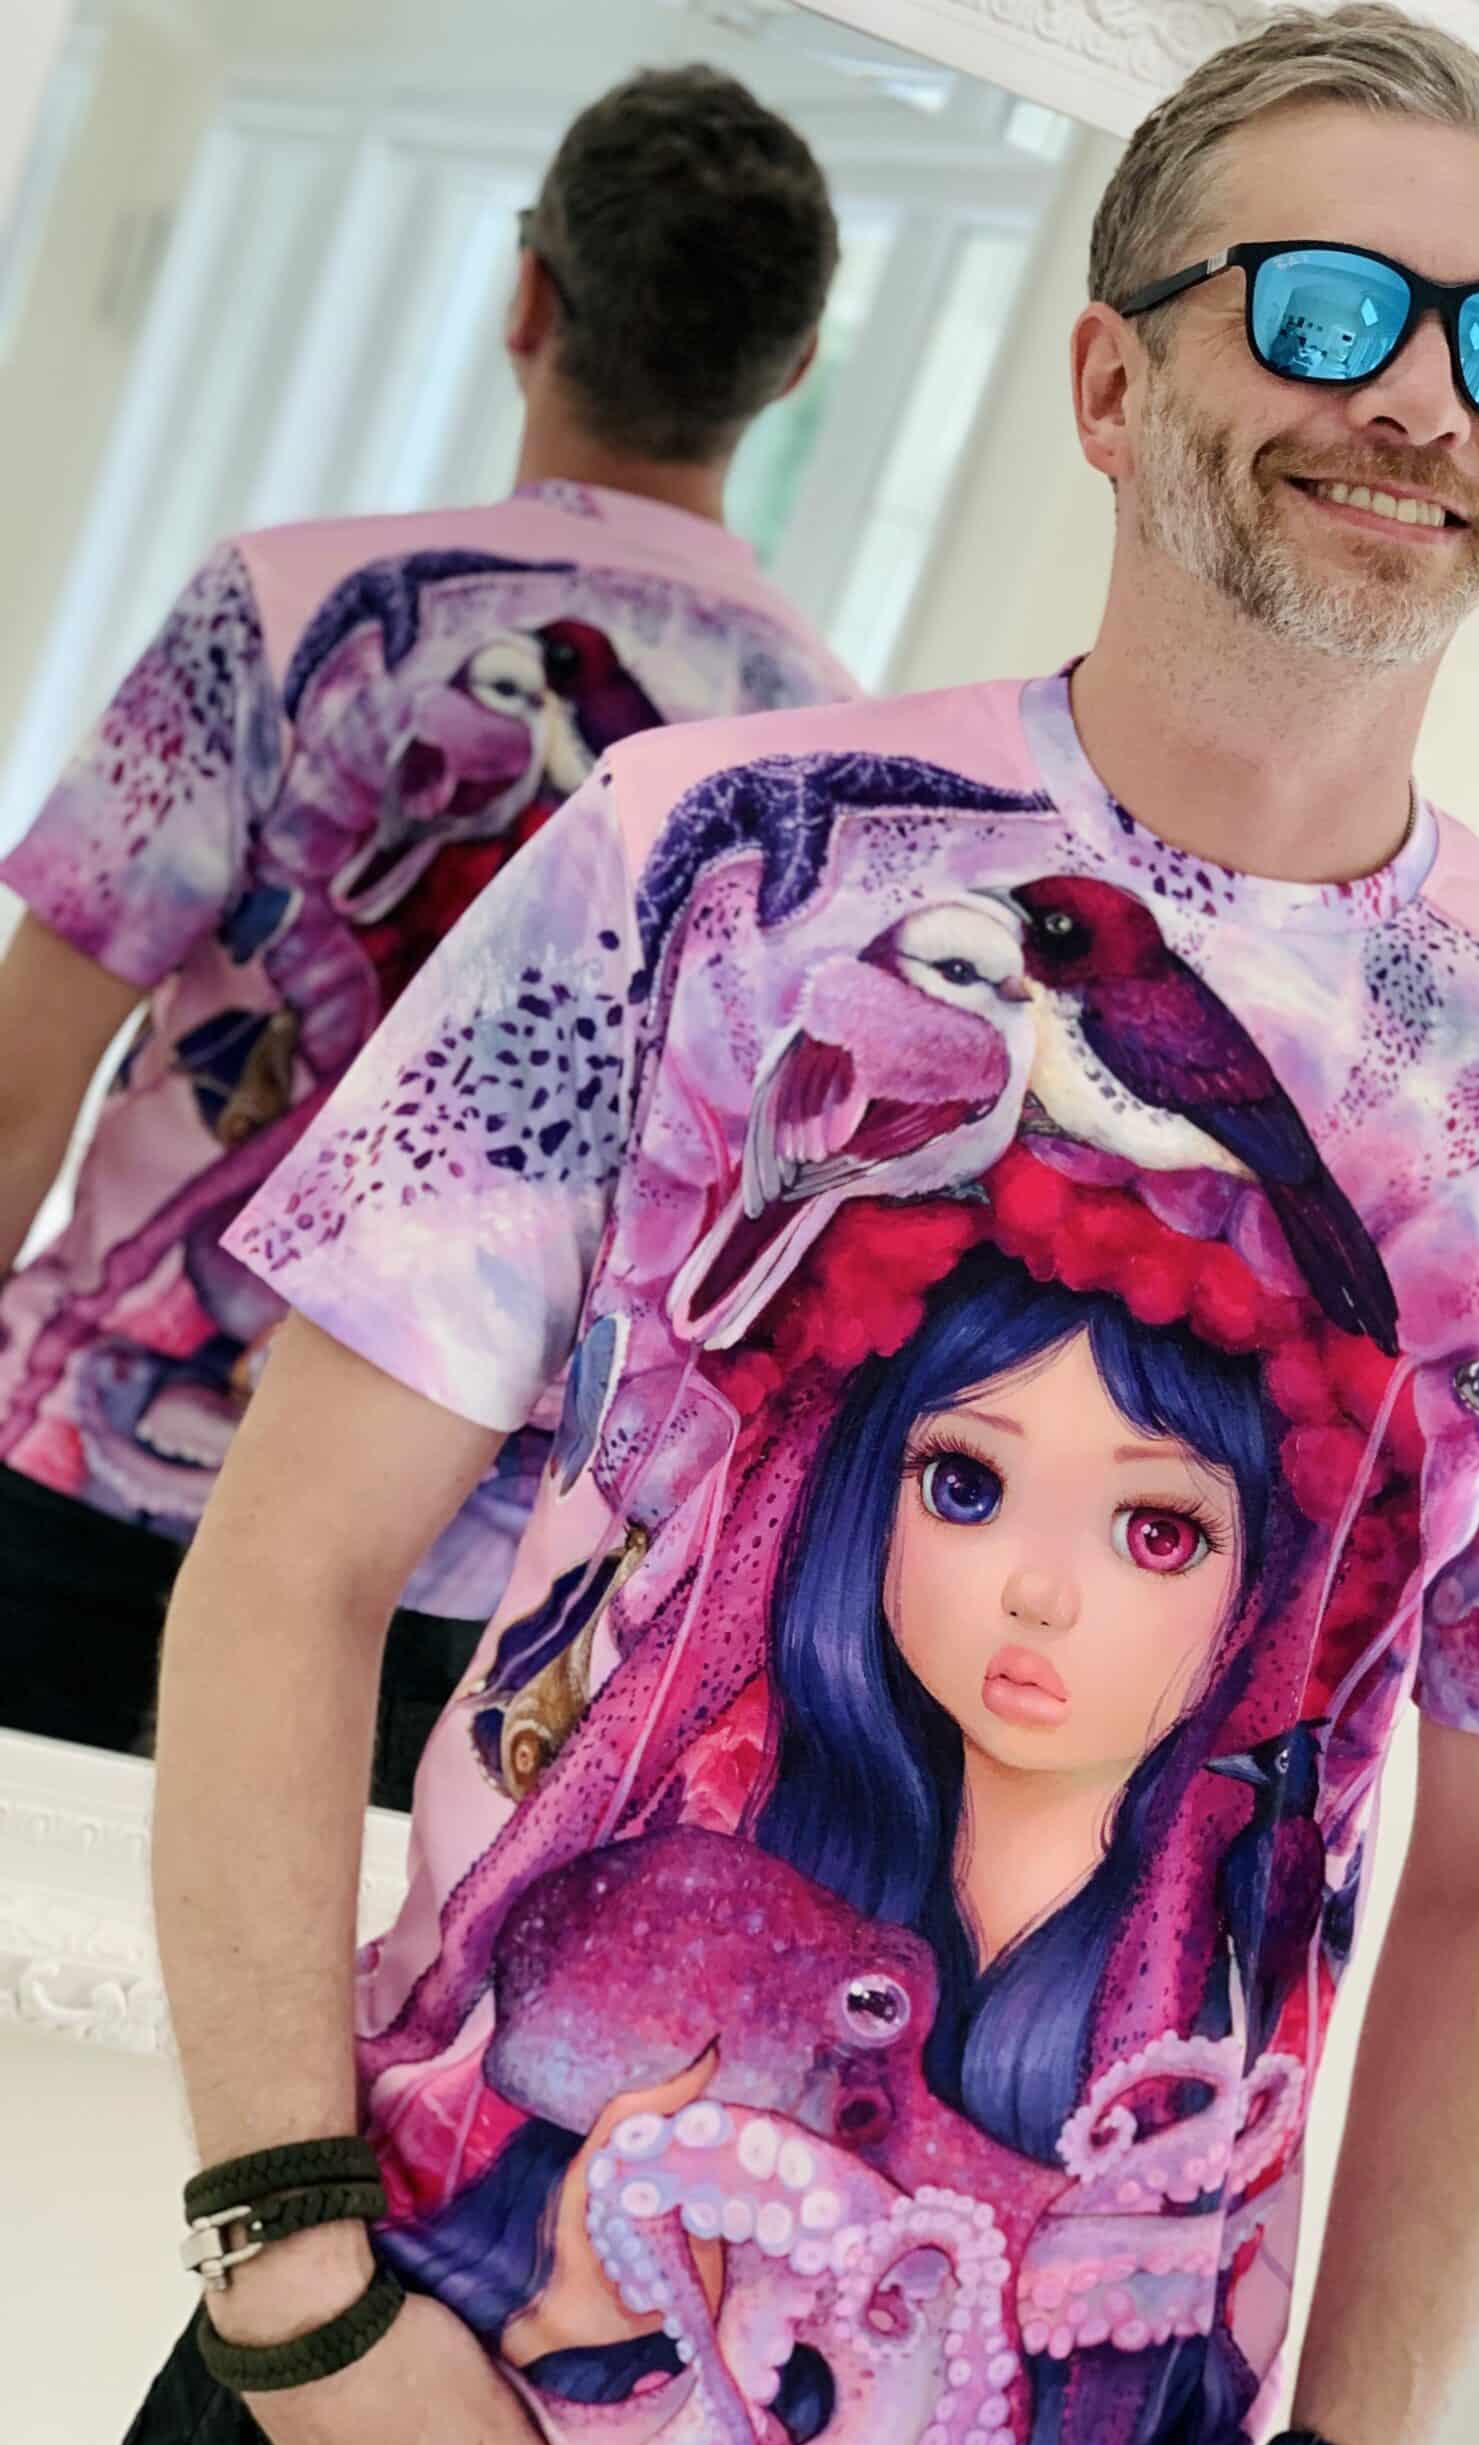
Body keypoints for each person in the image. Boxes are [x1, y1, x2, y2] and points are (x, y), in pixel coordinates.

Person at [78, 10, 1479, 2445]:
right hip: (428, 2414)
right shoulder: (697, 858)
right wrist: (289, 2265)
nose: (1421, 398)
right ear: (1109, 381)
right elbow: (294, 1554)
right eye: (1323, 310)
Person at [0, 64, 855, 1805]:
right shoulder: (827, 769)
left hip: (93, 1470)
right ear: (790, 371)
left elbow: (24, 1080)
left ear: (527, 295)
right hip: (437, 1574)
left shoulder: (282, 602)